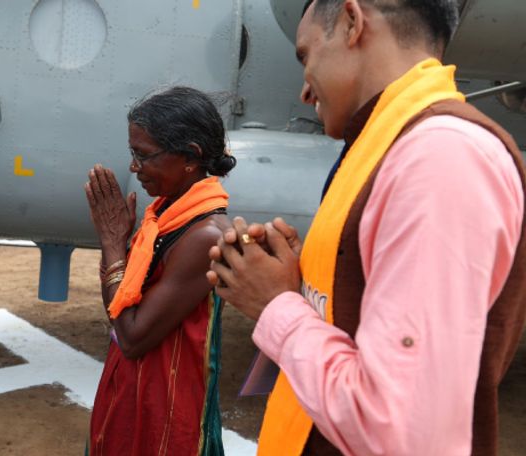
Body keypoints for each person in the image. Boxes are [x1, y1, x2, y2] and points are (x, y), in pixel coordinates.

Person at [208, 1, 526, 455]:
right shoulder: (390, 145)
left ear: (352, 22)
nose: (303, 91)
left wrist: (275, 306)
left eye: (306, 56)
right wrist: (299, 283)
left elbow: (399, 430)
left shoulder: (440, 157)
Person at [84, 86, 237, 455]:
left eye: (144, 155)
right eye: (132, 153)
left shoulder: (205, 236)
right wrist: (118, 248)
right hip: (135, 395)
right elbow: (119, 318)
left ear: (190, 157)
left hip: (167, 412)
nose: (135, 166)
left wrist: (112, 246)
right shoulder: (165, 217)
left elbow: (133, 335)